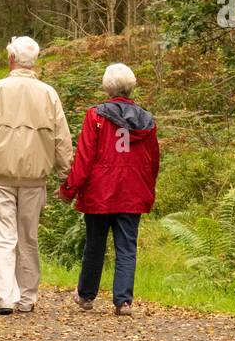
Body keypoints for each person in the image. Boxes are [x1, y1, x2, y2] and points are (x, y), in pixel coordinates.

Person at [0, 37, 74, 315]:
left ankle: (6, 298)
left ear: (11, 59)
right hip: (35, 179)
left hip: (0, 176)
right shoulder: (49, 94)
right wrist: (67, 176)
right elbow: (62, 139)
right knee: (28, 237)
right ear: (34, 61)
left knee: (2, 237)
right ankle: (27, 297)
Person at [58, 63, 160, 316]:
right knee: (127, 247)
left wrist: (69, 188)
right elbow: (153, 162)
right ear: (131, 86)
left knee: (94, 244)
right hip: (132, 192)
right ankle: (123, 301)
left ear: (107, 86)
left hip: (100, 192)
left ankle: (86, 296)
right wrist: (147, 189)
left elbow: (84, 158)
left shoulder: (96, 116)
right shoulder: (147, 120)